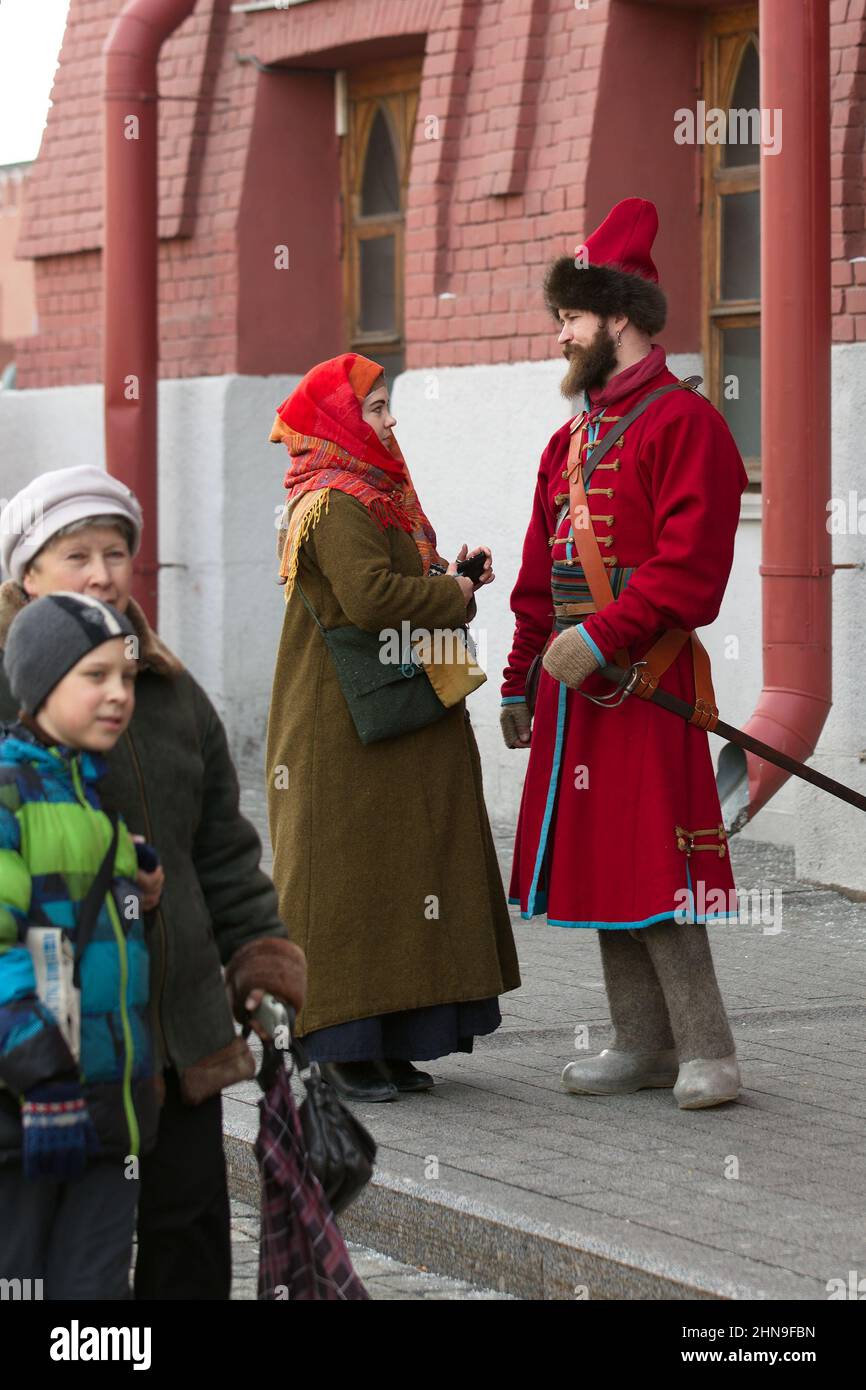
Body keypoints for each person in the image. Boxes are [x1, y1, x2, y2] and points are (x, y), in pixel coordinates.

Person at [0, 467, 306, 1298]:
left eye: (116, 553)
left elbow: (223, 847)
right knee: (59, 1270)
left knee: (189, 1240)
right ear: (27, 573)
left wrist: (259, 960)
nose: (100, 573)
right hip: (52, 1055)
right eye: (75, 555)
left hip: (174, 1036)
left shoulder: (171, 692)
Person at [500, 198, 748, 1109]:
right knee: (604, 860)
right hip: (573, 690)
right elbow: (538, 575)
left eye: (570, 318)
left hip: (649, 681)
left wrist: (601, 638)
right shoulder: (568, 442)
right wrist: (522, 676)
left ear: (619, 317)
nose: (562, 336)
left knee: (660, 863)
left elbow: (692, 575)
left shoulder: (686, 424)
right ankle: (641, 1044)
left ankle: (710, 1051)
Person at [266, 352, 520, 1103]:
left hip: (389, 709)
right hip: (343, 721)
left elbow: (396, 581)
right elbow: (371, 598)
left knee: (405, 872)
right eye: (375, 408)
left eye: (387, 405)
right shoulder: (335, 502)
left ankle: (393, 1043)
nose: (390, 418)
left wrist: (449, 574)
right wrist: (456, 593)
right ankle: (339, 1048)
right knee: (348, 881)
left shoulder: (376, 493)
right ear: (341, 422)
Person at [0, 592, 158, 1298]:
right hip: (26, 1113)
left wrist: (140, 887)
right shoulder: (9, 791)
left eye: (125, 677)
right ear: (39, 683)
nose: (118, 694)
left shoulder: (93, 794)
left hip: (108, 1107)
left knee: (96, 1300)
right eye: (95, 677)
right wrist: (41, 1067)